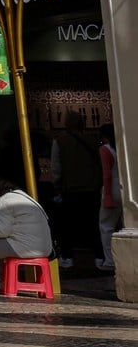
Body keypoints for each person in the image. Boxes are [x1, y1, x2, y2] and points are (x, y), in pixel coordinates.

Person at [50, 111, 102, 267]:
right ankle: (99, 256)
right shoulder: (93, 141)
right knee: (93, 223)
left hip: (70, 189)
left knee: (68, 225)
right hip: (92, 188)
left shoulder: (59, 142)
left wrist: (57, 186)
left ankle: (67, 257)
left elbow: (56, 168)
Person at [97, 123, 123, 272]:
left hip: (111, 189)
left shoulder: (105, 150)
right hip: (122, 189)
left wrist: (107, 196)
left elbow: (106, 175)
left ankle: (109, 261)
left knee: (106, 226)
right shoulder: (119, 148)